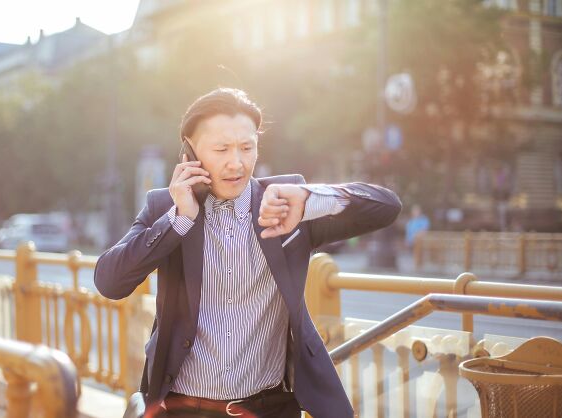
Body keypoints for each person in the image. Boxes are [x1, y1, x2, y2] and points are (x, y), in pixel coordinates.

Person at [94, 88, 402, 418]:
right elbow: (110, 282)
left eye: (247, 147)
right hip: (184, 408)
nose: (236, 163)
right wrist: (178, 219)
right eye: (221, 149)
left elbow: (386, 207)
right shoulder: (164, 206)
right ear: (190, 150)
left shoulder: (286, 202)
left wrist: (312, 198)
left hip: (269, 408)